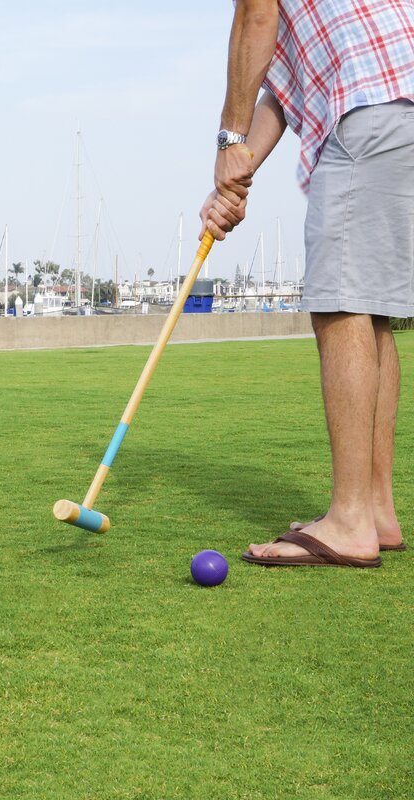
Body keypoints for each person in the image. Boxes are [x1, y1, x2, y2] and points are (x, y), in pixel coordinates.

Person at [200, 0, 414, 567]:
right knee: (370, 311)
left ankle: (349, 523)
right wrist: (234, 179)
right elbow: (285, 95)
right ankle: (375, 511)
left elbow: (255, 15)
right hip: (396, 100)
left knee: (341, 305)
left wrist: (228, 139)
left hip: (369, 107)